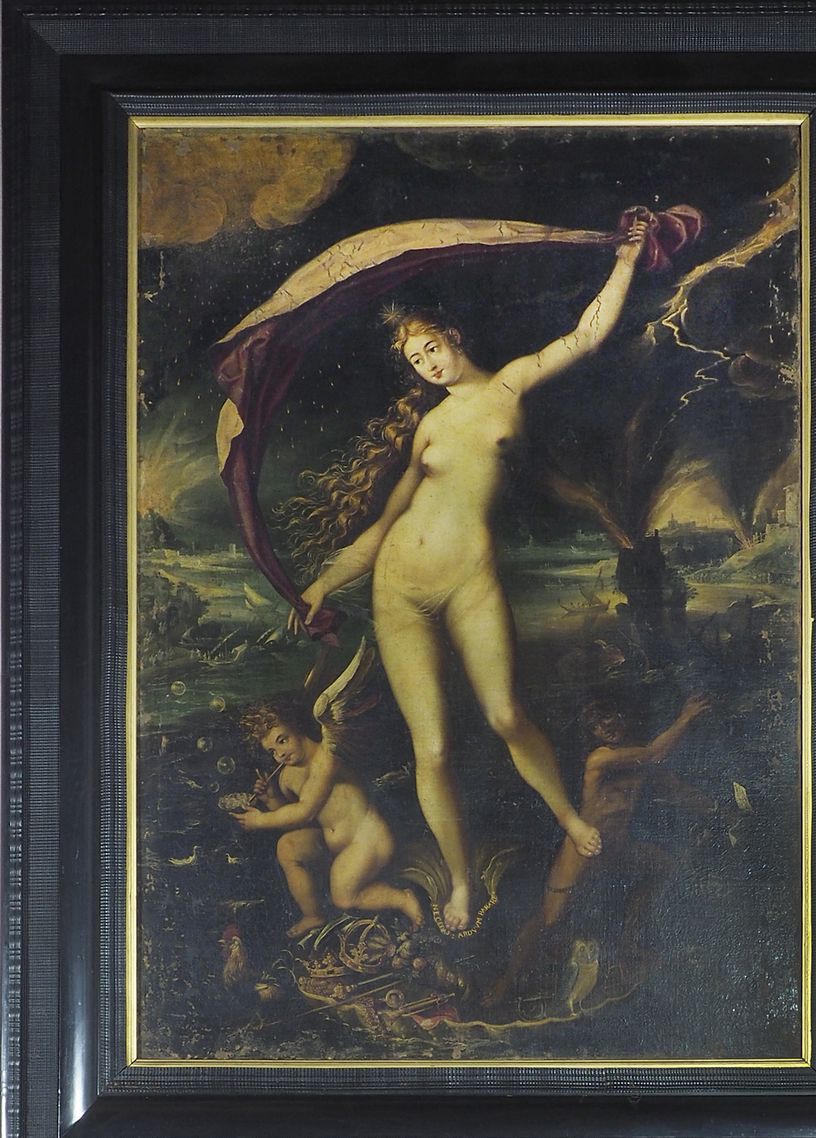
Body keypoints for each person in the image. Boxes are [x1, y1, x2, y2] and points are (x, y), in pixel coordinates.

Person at [285, 217, 649, 932]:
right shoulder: (428, 428)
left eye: (432, 347)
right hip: (398, 590)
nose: (428, 363)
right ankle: (457, 882)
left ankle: (567, 815)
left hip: (469, 579)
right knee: (432, 747)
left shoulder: (508, 386)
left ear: (454, 338)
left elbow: (585, 336)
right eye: (416, 359)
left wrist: (626, 261)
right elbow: (383, 527)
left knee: (506, 714)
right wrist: (322, 585)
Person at [483, 693, 711, 1007]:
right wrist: (685, 717)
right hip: (584, 849)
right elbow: (655, 753)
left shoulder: (637, 763)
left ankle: (629, 942)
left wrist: (716, 808)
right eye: (596, 725)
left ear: (622, 716)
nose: (606, 727)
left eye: (609, 717)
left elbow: (676, 789)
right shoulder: (600, 758)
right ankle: (506, 980)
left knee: (664, 867)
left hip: (617, 849)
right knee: (549, 918)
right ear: (592, 733)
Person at [234, 699, 423, 937]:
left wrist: (261, 821)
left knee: (343, 897)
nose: (279, 754)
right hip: (333, 845)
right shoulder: (287, 777)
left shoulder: (327, 756)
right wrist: (271, 798)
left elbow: (305, 810)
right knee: (287, 846)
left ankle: (402, 898)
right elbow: (295, 819)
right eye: (272, 751)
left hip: (368, 841)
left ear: (298, 728)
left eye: (282, 740)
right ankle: (313, 915)